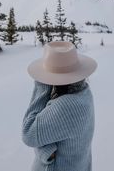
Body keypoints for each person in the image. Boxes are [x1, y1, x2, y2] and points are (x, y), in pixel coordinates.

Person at [21, 40, 98, 171]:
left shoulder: (66, 107)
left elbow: (28, 134)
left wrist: (42, 85)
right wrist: (46, 150)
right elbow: (58, 134)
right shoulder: (84, 93)